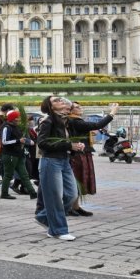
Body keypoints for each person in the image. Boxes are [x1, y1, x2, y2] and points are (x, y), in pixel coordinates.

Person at [35, 95, 84, 241]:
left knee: (71, 194)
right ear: (50, 107)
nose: (60, 101)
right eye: (55, 101)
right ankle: (57, 230)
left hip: (64, 160)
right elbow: (42, 143)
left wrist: (76, 146)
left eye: (60, 99)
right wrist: (69, 145)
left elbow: (67, 141)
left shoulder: (65, 121)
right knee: (55, 197)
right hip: (51, 161)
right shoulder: (48, 121)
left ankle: (43, 216)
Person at [66, 101, 116, 216]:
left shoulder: (75, 121)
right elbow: (97, 125)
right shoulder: (74, 121)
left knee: (80, 180)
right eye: (76, 107)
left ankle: (75, 206)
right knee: (77, 180)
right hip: (78, 153)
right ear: (71, 110)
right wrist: (112, 113)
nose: (80, 108)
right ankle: (69, 207)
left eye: (80, 106)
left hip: (82, 152)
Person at [0, 109, 36, 201]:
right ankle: (4, 193)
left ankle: (33, 193)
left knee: (24, 175)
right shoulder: (6, 127)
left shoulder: (15, 126)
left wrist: (27, 141)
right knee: (8, 175)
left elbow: (21, 138)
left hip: (19, 154)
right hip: (10, 155)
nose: (19, 119)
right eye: (17, 118)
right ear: (12, 119)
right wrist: (19, 141)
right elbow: (4, 141)